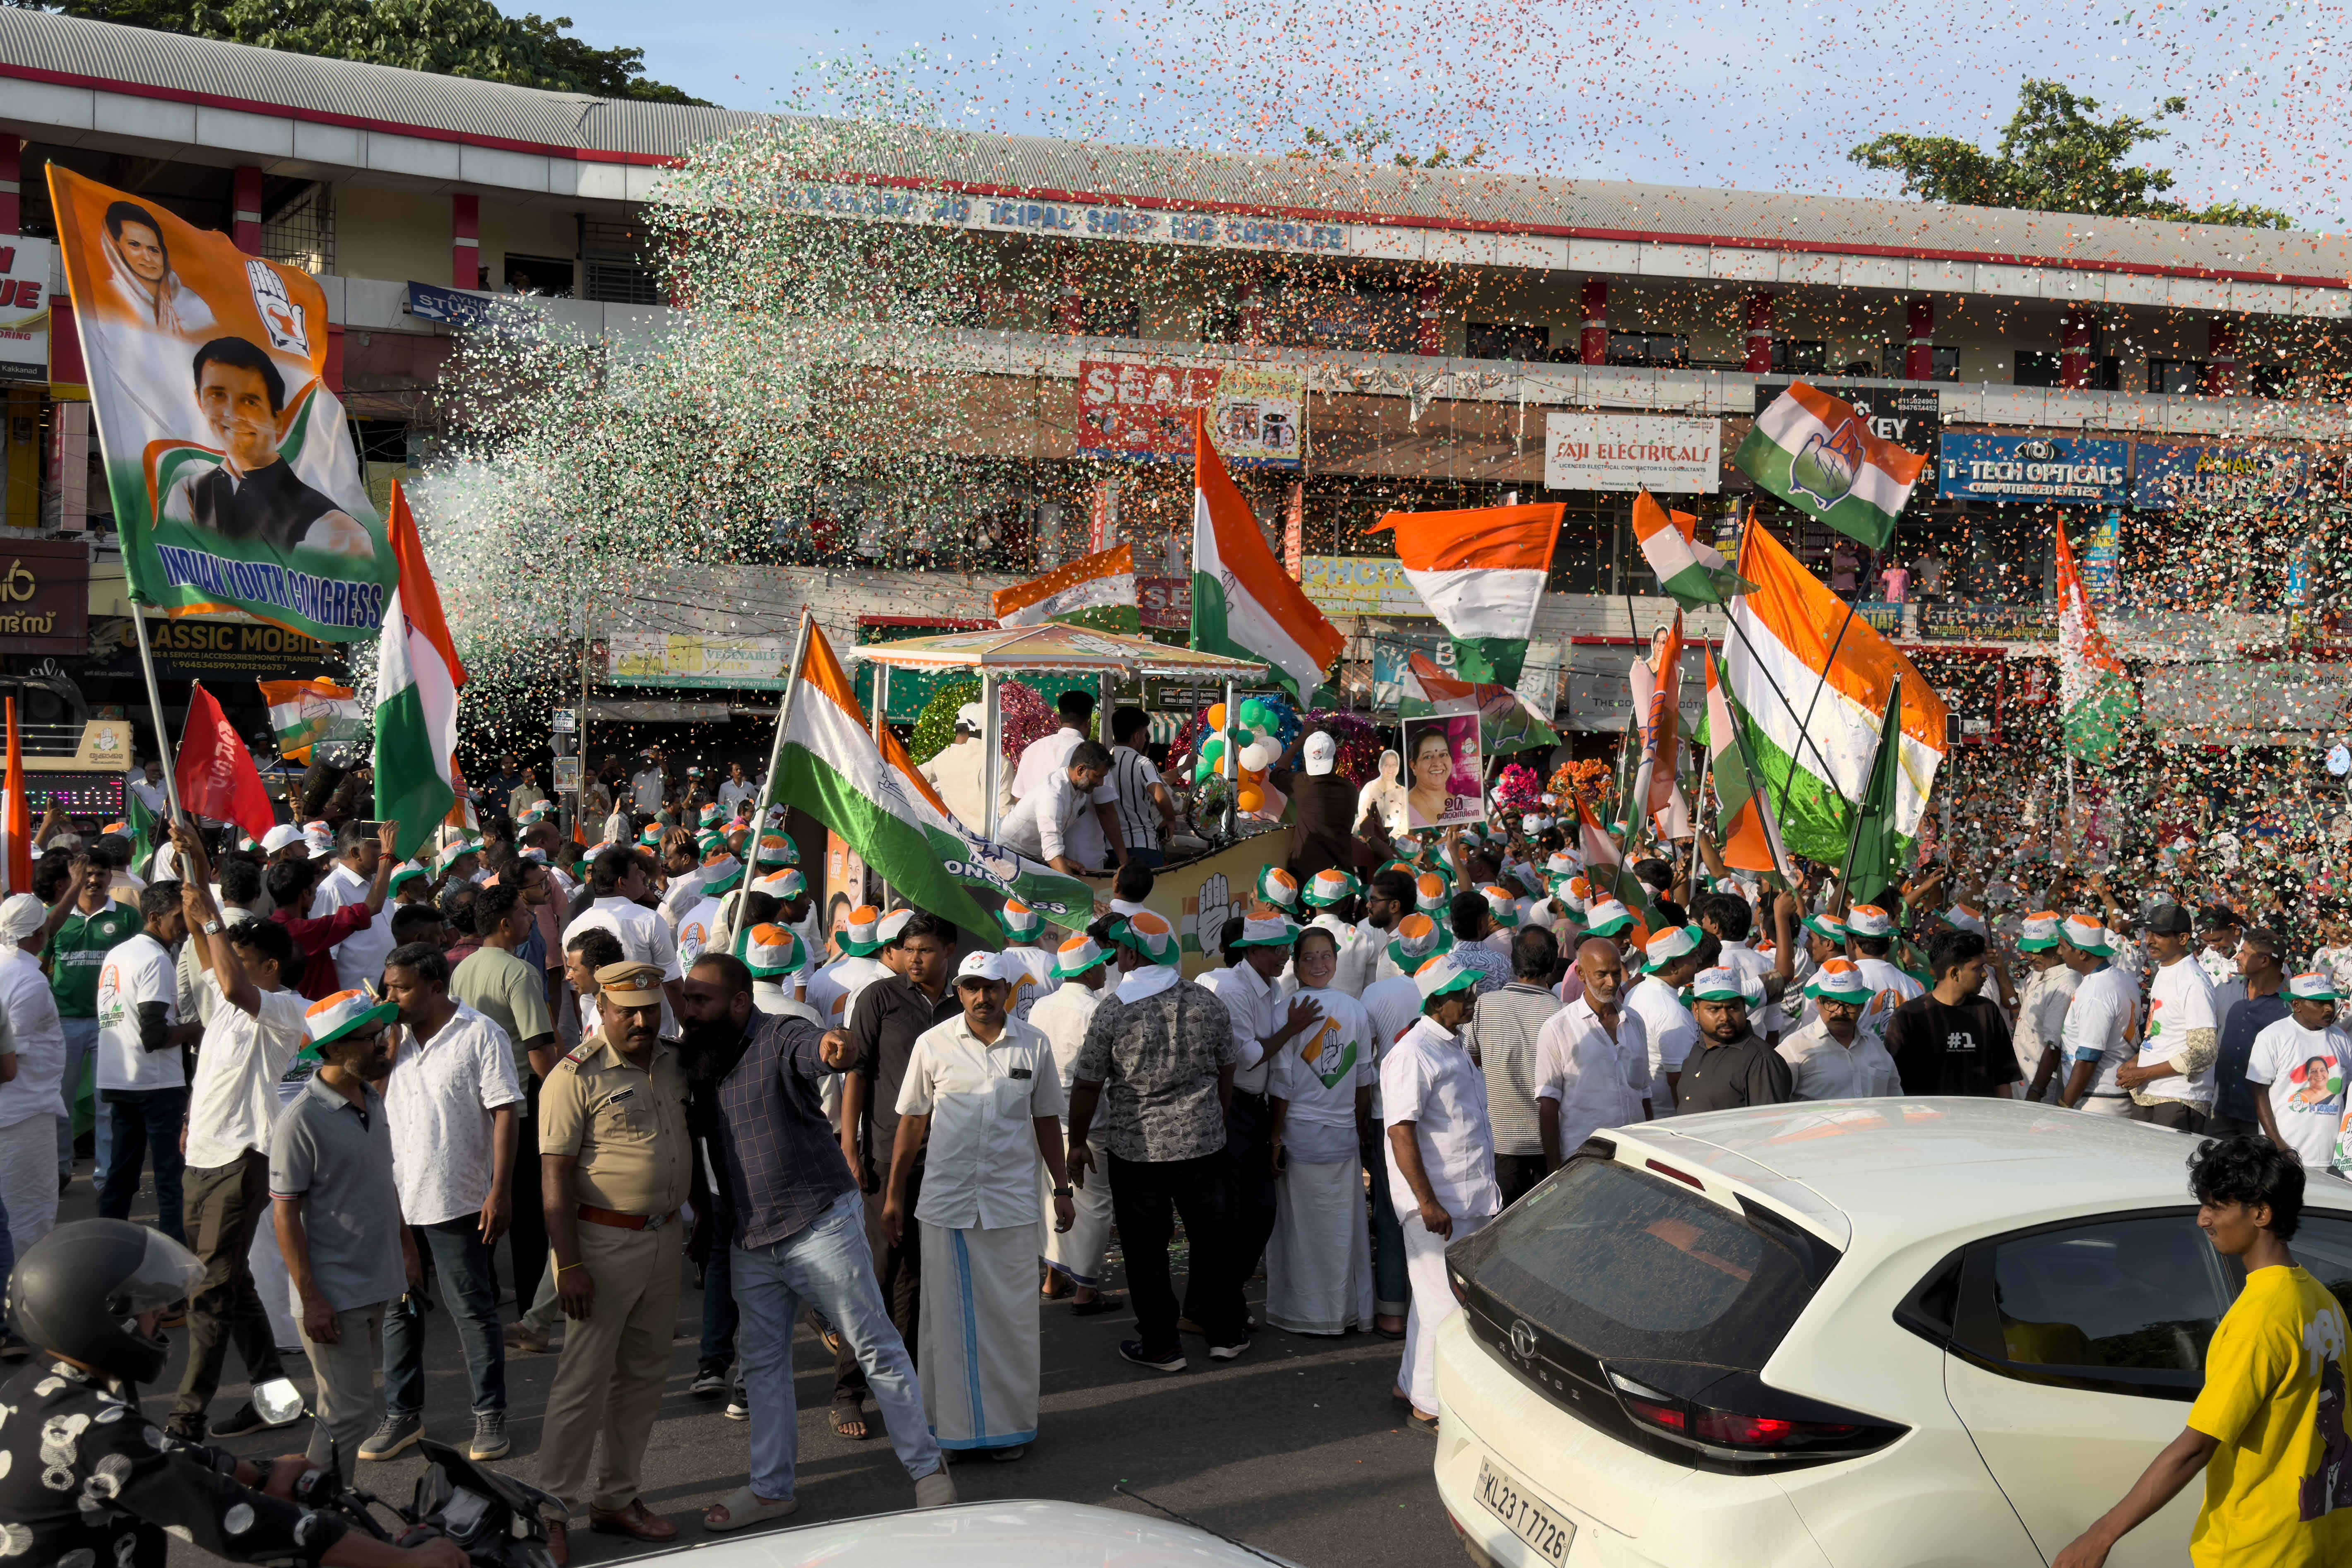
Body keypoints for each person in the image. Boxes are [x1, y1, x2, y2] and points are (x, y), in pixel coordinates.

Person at [668, 955, 954, 1531]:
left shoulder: (778, 1035)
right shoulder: (695, 1053)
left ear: (741, 1002)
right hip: (750, 1238)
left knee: (874, 1344)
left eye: (701, 1000)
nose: (688, 1009)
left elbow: (819, 1048)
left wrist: (835, 1048)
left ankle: (928, 1473)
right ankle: (772, 1490)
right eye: (687, 998)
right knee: (764, 1365)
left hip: (818, 1223)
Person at [0, 1219, 467, 1568]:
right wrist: (405, 1561)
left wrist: (258, 1471)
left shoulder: (34, 1390)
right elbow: (232, 1519)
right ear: (100, 1320)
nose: (161, 1313)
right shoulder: (97, 1432)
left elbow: (155, 1452)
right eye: (146, 1306)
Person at [2051, 1137, 2352, 1568]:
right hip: (2320, 1543)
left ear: (2261, 1213)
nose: (2202, 1218)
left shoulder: (2259, 1318)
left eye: (2216, 1206)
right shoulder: (2323, 1301)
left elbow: (2196, 1447)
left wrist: (2099, 1536)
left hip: (2257, 1550)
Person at [883, 951, 1072, 1461]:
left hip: (1010, 1204)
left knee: (1010, 1320)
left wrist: (1063, 1187)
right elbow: (912, 1123)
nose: (982, 997)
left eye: (992, 986)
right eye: (971, 987)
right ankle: (952, 1428)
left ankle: (1009, 1429)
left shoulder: (1034, 1044)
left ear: (1008, 989)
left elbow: (1046, 1120)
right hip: (947, 1202)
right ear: (959, 991)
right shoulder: (933, 1044)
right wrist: (895, 1194)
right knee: (945, 1320)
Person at [534, 962, 693, 1559]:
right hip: (599, 1247)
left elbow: (687, 1144)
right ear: (600, 1010)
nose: (640, 1021)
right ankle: (550, 1507)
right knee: (582, 1384)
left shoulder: (673, 1061)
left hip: (663, 1240)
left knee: (644, 1379)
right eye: (626, 1010)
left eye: (650, 1009)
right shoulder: (573, 1076)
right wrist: (568, 1266)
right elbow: (553, 1176)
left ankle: (616, 1498)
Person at [167, 835, 309, 1443]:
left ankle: (185, 1416)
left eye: (242, 954)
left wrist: (210, 919)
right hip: (202, 1155)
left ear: (270, 965)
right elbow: (207, 946)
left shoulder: (284, 1009)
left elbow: (227, 979)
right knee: (233, 1285)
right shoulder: (229, 1001)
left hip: (241, 1161)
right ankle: (275, 1398)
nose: (228, 960)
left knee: (209, 1292)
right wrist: (196, 864)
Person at [1066, 910, 1245, 1372]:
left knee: (1147, 1250)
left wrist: (1078, 1140)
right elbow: (1228, 1065)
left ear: (1128, 954)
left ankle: (1162, 1344)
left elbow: (1087, 1083)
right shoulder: (1205, 1001)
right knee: (1213, 1240)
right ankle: (1225, 1332)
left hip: (1137, 1149)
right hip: (1204, 1143)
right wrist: (1216, 1117)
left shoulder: (1113, 1009)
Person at [369, 942, 523, 1466]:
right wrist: (386, 1037)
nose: (391, 995)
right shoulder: (393, 1039)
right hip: (398, 1200)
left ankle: (490, 1414)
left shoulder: (480, 1033)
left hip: (458, 1199)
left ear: (436, 987)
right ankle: (402, 1414)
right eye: (388, 985)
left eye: (402, 987)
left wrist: (499, 1190)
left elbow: (505, 1111)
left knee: (472, 1313)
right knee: (400, 1311)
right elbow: (369, 1099)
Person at [271, 989, 411, 1479]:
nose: (382, 1045)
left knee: (345, 1412)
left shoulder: (372, 1097)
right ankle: (313, 1509)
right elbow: (284, 1215)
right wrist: (311, 1298)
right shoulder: (300, 1120)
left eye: (382, 1034)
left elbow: (383, 1180)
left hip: (378, 1282)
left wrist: (407, 1249)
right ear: (332, 1049)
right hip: (334, 1295)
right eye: (369, 1038)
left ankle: (328, 1503)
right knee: (346, 1414)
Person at [1384, 953, 1501, 1432]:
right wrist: (1427, 1201)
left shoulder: (1451, 1045)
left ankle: (1410, 1382)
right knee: (1442, 1305)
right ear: (1436, 1001)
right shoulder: (1413, 1053)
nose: (1470, 999)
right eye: (1461, 993)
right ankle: (1429, 1404)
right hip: (1439, 1203)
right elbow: (1400, 1131)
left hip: (1465, 1196)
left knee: (1435, 1299)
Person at [841, 910, 958, 1376]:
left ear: (949, 951)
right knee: (877, 1270)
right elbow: (858, 1073)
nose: (914, 959)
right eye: (908, 949)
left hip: (946, 1156)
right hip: (888, 1153)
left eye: (925, 950)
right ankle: (848, 1388)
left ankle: (906, 1383)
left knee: (921, 1273)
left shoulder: (963, 1001)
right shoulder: (879, 997)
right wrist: (851, 1147)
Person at [450, 881, 558, 1333]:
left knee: (485, 1200)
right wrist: (562, 1093)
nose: (532, 917)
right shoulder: (519, 973)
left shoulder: (462, 970)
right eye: (524, 910)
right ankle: (532, 1311)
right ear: (504, 923)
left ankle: (486, 1289)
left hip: (474, 1100)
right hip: (518, 1102)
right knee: (528, 1211)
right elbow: (539, 1048)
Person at [1196, 913, 1322, 1288]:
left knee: (1258, 1212)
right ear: (1253, 951)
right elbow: (1247, 1056)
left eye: (1286, 948)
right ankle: (1218, 1308)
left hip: (1253, 1109)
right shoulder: (1235, 990)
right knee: (1239, 1214)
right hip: (1232, 1107)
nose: (1285, 956)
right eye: (1277, 949)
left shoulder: (1270, 987)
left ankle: (1223, 1303)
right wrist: (1292, 1028)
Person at [161, 337, 373, 558]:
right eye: (217, 395)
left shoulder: (335, 527)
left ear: (278, 418)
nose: (232, 414)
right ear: (199, 401)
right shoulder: (188, 492)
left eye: (250, 401)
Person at [1264, 926, 1376, 1336]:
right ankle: (1344, 1310)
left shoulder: (1287, 1012)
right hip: (1335, 1133)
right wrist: (1357, 1123)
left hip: (1306, 1134)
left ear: (1336, 959)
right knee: (1340, 1226)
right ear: (1295, 962)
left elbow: (1282, 1084)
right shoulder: (1352, 1010)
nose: (1318, 964)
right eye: (1309, 957)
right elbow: (1362, 1079)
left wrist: (1275, 1137)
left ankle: (1306, 1311)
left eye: (1325, 955)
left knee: (1303, 1228)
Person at [94, 881, 200, 1241]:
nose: (184, 923)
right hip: (155, 1084)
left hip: (118, 1078)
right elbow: (154, 1036)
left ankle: (106, 1251)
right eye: (177, 917)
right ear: (154, 917)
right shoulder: (155, 959)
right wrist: (195, 1029)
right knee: (171, 1180)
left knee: (121, 1176)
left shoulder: (118, 954)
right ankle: (175, 1270)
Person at [1031, 932, 1118, 1312]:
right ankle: (1085, 1288)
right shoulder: (1097, 1009)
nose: (1106, 969)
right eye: (1101, 963)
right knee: (1096, 1203)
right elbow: (1105, 1073)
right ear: (1089, 970)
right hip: (1087, 1121)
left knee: (1054, 1195)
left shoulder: (1041, 1007)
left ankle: (1054, 1276)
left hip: (1045, 1117)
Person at [44, 854, 139, 1189]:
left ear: (110, 878)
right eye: (86, 874)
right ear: (74, 878)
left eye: (99, 874)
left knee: (106, 1106)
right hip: (64, 1022)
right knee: (60, 1102)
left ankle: (104, 1179)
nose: (93, 880)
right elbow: (40, 964)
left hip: (110, 1024)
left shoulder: (127, 917)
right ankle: (58, 1170)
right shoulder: (55, 918)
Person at [1464, 925, 1561, 1203]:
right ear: (1553, 964)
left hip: (1501, 1144)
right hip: (1549, 1146)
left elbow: (1472, 1064)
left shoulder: (1484, 1005)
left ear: (1514, 963)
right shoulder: (1563, 1014)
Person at [1533, 937, 1647, 1170]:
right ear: (1581, 974)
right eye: (1602, 974)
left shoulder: (1635, 1022)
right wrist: (1554, 1168)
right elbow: (1548, 1104)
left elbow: (1644, 1093)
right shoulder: (1558, 1028)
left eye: (1617, 973)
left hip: (1636, 1156)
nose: (1612, 982)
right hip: (1583, 1159)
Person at [1881, 929, 2022, 1097]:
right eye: (1977, 968)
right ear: (1955, 973)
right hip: (1927, 1121)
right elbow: (1893, 1082)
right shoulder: (1909, 1016)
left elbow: (2003, 1079)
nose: (1985, 974)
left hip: (1981, 1120)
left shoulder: (1988, 1011)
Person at [562, 845, 683, 1036]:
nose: (643, 876)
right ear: (622, 883)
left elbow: (575, 990)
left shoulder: (573, 928)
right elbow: (672, 982)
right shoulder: (648, 920)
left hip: (598, 1037)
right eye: (636, 873)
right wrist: (690, 1029)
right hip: (650, 1034)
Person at [0, 892, 63, 1255]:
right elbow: (12, 1054)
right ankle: (24, 1300)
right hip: (24, 1112)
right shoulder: (29, 980)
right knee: (29, 1213)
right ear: (39, 933)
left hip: (20, 1110)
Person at [2242, 972, 2352, 1171]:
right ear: (2297, 1005)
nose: (2329, 1008)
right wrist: (2278, 1145)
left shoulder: (2341, 1039)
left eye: (2331, 1002)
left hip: (2334, 1159)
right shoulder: (2273, 1036)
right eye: (2319, 1003)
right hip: (2286, 1156)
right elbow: (2260, 1095)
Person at [2126, 900, 2220, 1132]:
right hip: (2151, 1094)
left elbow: (2204, 1053)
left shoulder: (2193, 981)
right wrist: (2135, 1062)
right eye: (2148, 932)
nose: (2150, 940)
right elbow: (2161, 1034)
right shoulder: (2166, 972)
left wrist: (2143, 1072)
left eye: (2160, 934)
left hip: (2177, 1100)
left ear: (2183, 939)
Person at [1010, 690, 1124, 870]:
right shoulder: (1090, 757)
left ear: (1057, 718)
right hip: (1078, 855)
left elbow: (1018, 799)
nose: (1100, 783)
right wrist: (1124, 859)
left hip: (1036, 858)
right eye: (1098, 779)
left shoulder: (1033, 749)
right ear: (1089, 722)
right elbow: (1106, 811)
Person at [2055, 914, 2143, 1115]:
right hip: (2110, 1097)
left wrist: (2064, 1106)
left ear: (2082, 953)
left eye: (2064, 946)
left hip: (2096, 1102)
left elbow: (2088, 1059)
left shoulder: (2096, 993)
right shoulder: (2123, 978)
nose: (2059, 952)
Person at [1775, 960, 1901, 1099]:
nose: (1840, 1012)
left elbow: (1895, 1101)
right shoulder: (1794, 1049)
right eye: (1832, 1003)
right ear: (1818, 1002)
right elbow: (1774, 1104)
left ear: (1862, 1007)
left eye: (1849, 1005)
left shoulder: (1877, 1047)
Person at [2210, 929, 2291, 1139]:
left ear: (2264, 961)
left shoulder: (2292, 1007)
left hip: (2264, 1122)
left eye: (2244, 953)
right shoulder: (2224, 991)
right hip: (2219, 1110)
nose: (2237, 958)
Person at [1676, 968, 1794, 1112]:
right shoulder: (1699, 1049)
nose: (1725, 1017)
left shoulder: (1762, 1061)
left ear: (1743, 1009)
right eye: (1715, 1009)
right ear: (1696, 1011)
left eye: (1733, 1008)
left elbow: (1769, 1127)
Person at [1624, 923, 1707, 1115]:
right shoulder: (1671, 1012)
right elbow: (1679, 1079)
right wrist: (1687, 1123)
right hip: (1669, 1116)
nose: (1699, 959)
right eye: (1693, 956)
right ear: (1673, 965)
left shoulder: (1637, 992)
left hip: (1647, 1110)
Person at [999, 741, 1117, 875]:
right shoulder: (1052, 795)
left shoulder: (1079, 792)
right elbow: (1052, 851)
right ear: (1081, 770)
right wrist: (1076, 892)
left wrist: (1066, 862)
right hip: (1007, 853)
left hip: (1031, 857)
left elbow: (1053, 845)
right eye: (1098, 776)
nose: (1101, 783)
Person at [312, 821, 399, 995]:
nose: (384, 852)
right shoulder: (332, 890)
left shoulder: (376, 883)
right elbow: (328, 958)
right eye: (377, 846)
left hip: (384, 999)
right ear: (356, 853)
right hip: (356, 1004)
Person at [2013, 911, 2080, 1105]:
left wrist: (2037, 1091)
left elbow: (2054, 1047)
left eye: (2039, 951)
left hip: (2041, 1086)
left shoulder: (2066, 984)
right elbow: (2017, 1004)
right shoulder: (2036, 974)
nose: (2032, 958)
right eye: (2029, 951)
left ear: (2058, 948)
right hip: (2022, 1078)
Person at [917, 705, 1011, 831]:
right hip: (985, 845)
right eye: (1001, 726)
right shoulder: (1001, 764)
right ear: (994, 729)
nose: (1003, 730)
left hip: (951, 841)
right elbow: (1007, 820)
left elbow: (911, 776)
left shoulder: (945, 757)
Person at [1107, 706, 1177, 870]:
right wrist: (1170, 820)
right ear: (1137, 737)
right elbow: (1160, 796)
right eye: (1145, 735)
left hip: (1110, 847)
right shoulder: (1142, 763)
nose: (1146, 740)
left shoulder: (1104, 761)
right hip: (1144, 845)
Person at [1286, 729, 1359, 882]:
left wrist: (1299, 741)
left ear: (1305, 760)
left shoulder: (1300, 784)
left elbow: (1276, 772)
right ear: (1335, 759)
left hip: (1306, 878)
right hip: (1342, 878)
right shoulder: (1350, 789)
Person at [1404, 726, 1478, 830]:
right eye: (1428, 757)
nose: (1438, 763)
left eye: (1443, 755)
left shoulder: (1467, 805)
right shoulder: (1403, 808)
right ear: (1414, 766)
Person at [1358, 747, 1408, 837]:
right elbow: (1362, 815)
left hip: (1394, 840)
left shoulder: (1403, 792)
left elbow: (1404, 821)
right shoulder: (1370, 787)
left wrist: (1393, 839)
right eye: (1387, 764)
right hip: (1370, 836)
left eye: (1394, 765)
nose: (1391, 768)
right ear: (1381, 766)